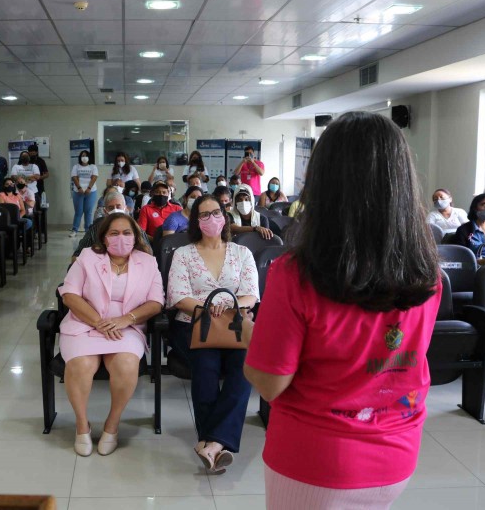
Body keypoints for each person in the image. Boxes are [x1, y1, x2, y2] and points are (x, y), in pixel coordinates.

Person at [243, 111, 442, 510]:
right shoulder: (428, 273)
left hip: (316, 460)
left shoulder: (296, 275)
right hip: (397, 452)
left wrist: (249, 331)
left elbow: (270, 384)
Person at [166, 195, 259, 473]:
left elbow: (251, 295)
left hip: (233, 327)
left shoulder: (242, 253)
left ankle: (210, 443)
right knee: (206, 367)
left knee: (243, 369)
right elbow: (178, 296)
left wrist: (226, 305)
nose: (211, 219)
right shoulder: (184, 253)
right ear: (196, 221)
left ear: (224, 215)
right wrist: (209, 307)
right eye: (203, 215)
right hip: (193, 325)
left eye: (215, 212)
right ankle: (217, 441)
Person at [58, 213, 163, 456]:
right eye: (114, 233)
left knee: (126, 364)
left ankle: (112, 424)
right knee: (80, 365)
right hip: (85, 323)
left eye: (127, 233)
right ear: (104, 238)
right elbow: (69, 294)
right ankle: (82, 425)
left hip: (127, 326)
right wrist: (98, 321)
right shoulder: (87, 257)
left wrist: (126, 319)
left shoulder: (147, 262)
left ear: (136, 237)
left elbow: (156, 302)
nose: (121, 238)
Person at [73, 191, 150, 260]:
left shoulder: (135, 227)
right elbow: (77, 255)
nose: (115, 210)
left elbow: (148, 252)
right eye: (111, 208)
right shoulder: (95, 229)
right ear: (105, 211)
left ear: (125, 208)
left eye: (118, 206)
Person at [455, 193, 485, 265]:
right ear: (475, 208)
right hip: (472, 270)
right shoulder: (463, 230)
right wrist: (479, 262)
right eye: (484, 204)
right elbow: (459, 258)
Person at [70, 149, 98, 237]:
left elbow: (94, 177)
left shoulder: (93, 167)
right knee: (78, 211)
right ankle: (74, 230)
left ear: (89, 157)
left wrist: (89, 188)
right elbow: (74, 178)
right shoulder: (76, 166)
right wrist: (79, 188)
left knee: (88, 211)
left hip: (91, 192)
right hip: (78, 192)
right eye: (82, 155)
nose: (84, 157)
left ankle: (88, 231)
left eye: (86, 155)